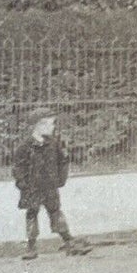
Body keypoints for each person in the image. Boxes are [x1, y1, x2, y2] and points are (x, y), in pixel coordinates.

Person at [13, 107, 90, 259]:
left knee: (56, 213)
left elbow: (63, 161)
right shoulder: (24, 146)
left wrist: (61, 179)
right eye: (50, 124)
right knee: (32, 214)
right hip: (32, 188)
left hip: (50, 187)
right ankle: (31, 247)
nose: (53, 127)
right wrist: (22, 183)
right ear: (39, 125)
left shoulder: (53, 144)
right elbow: (18, 167)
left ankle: (69, 243)